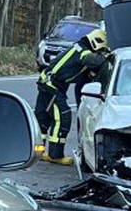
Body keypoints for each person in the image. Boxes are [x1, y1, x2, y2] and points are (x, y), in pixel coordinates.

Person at [34, 28, 109, 165]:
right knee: (63, 117)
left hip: (48, 81)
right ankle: (55, 155)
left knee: (43, 119)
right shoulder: (83, 51)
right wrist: (106, 58)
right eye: (100, 50)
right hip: (52, 84)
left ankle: (38, 152)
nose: (100, 53)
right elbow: (92, 60)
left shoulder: (80, 47)